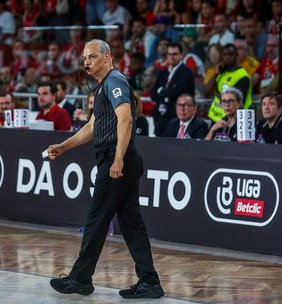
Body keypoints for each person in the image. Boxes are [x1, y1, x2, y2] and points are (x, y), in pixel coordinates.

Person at [47, 39, 163, 298]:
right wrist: (64, 146)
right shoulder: (103, 87)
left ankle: (80, 279)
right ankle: (150, 282)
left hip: (116, 157)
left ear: (107, 57)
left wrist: (118, 158)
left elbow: (126, 119)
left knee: (97, 219)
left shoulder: (115, 81)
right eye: (85, 58)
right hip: (118, 157)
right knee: (131, 223)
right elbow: (91, 126)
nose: (86, 62)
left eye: (92, 56)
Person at [151, 41, 195, 136]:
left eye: (175, 54)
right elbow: (153, 94)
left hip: (176, 120)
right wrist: (166, 92)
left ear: (181, 55)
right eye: (169, 54)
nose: (172, 57)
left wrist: (162, 91)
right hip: (160, 119)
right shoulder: (162, 73)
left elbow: (178, 92)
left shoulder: (186, 73)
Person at [205, 43, 252, 122]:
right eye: (225, 54)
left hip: (232, 120)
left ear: (237, 55)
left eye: (231, 54)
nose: (228, 57)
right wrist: (216, 74)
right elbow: (206, 92)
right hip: (215, 118)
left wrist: (215, 92)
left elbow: (232, 100)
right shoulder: (221, 72)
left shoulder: (242, 75)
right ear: (222, 56)